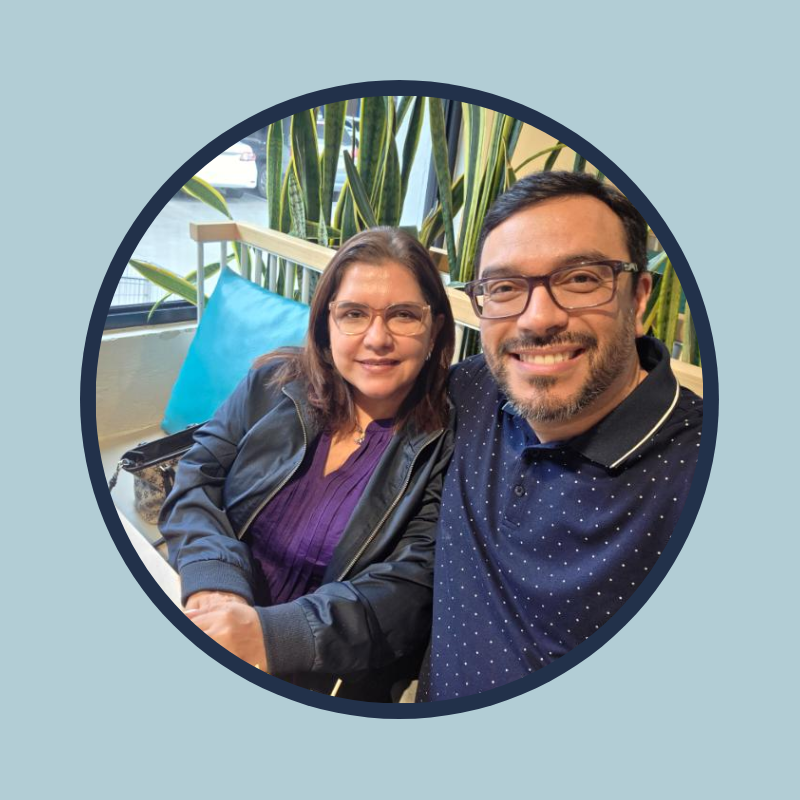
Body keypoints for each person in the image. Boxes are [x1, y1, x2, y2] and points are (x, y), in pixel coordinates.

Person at [418, 172, 703, 701]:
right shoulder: (472, 391)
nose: (538, 319)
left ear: (639, 299)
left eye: (581, 279)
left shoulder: (694, 472)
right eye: (504, 288)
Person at [159, 227, 456, 701]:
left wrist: (270, 636)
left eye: (403, 315)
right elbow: (196, 476)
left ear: (435, 328)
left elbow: (407, 590)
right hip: (209, 615)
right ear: (326, 323)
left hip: (323, 677)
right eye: (354, 314)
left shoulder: (444, 445)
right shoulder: (272, 383)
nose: (377, 338)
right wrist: (216, 585)